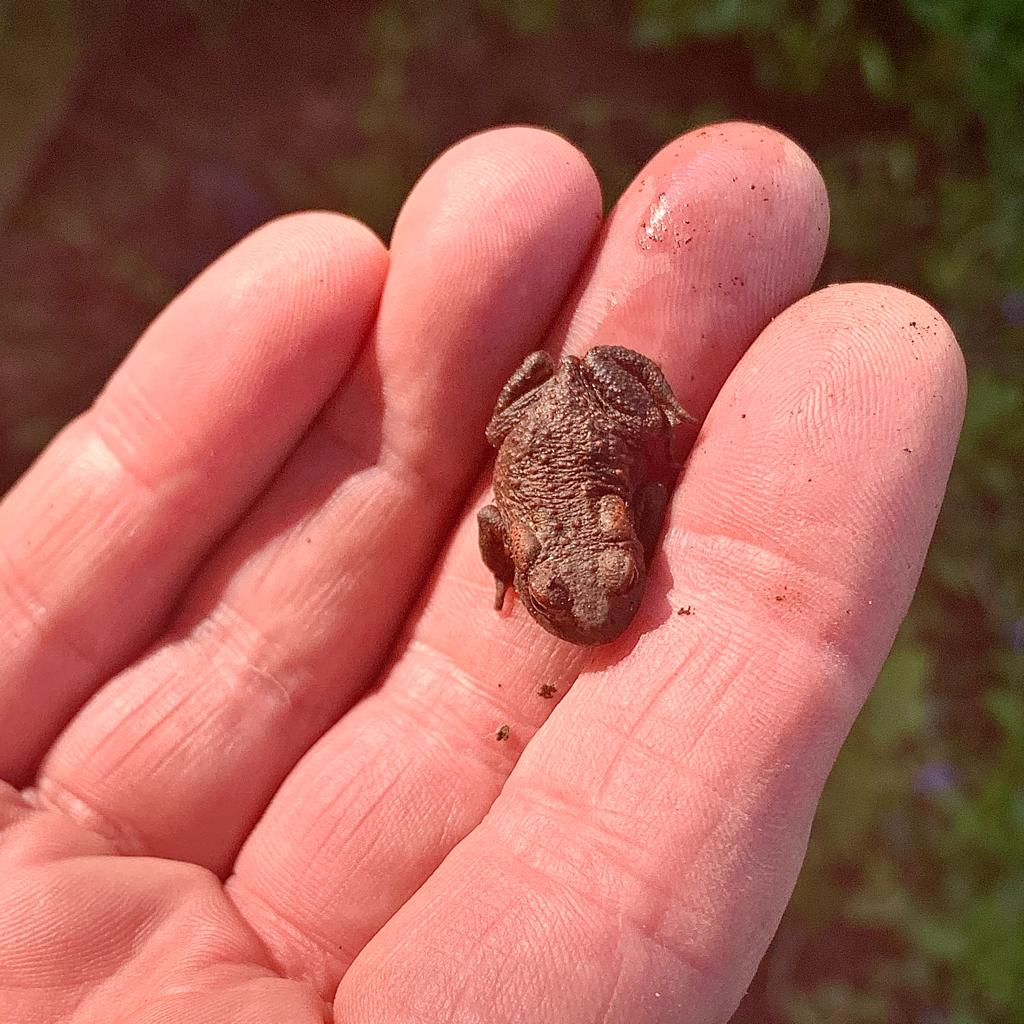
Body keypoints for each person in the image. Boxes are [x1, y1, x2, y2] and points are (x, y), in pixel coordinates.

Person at [0, 124, 965, 1023]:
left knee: (609, 396)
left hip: (580, 423)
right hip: (537, 437)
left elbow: (611, 511)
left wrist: (641, 450)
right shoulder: (528, 533)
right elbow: (503, 518)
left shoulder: (601, 527)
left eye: (624, 572)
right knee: (536, 412)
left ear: (621, 536)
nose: (605, 606)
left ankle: (649, 393)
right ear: (542, 562)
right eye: (561, 594)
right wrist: (515, 568)